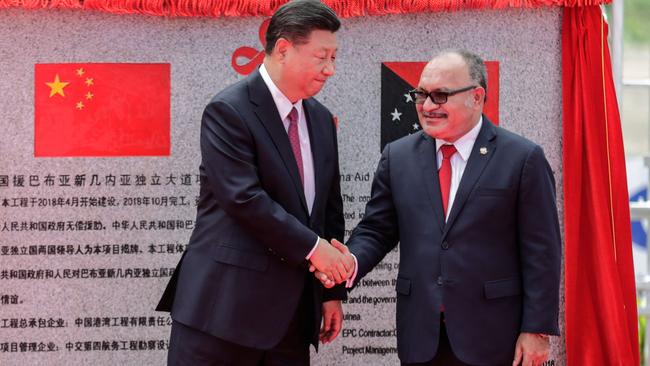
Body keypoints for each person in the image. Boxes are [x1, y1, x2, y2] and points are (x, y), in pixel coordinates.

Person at [316, 50, 561, 366]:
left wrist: (537, 330)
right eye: (421, 95)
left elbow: (542, 251)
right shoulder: (398, 156)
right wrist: (349, 261)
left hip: (495, 336)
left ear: (476, 97)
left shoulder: (523, 159)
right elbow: (377, 230)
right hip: (421, 336)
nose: (428, 106)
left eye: (440, 96)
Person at [156, 1, 354, 364]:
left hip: (292, 321)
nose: (330, 69)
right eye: (321, 56)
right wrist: (315, 250)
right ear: (283, 49)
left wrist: (331, 292)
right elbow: (244, 199)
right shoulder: (230, 110)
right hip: (224, 314)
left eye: (334, 58)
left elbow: (328, 209)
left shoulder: (321, 120)